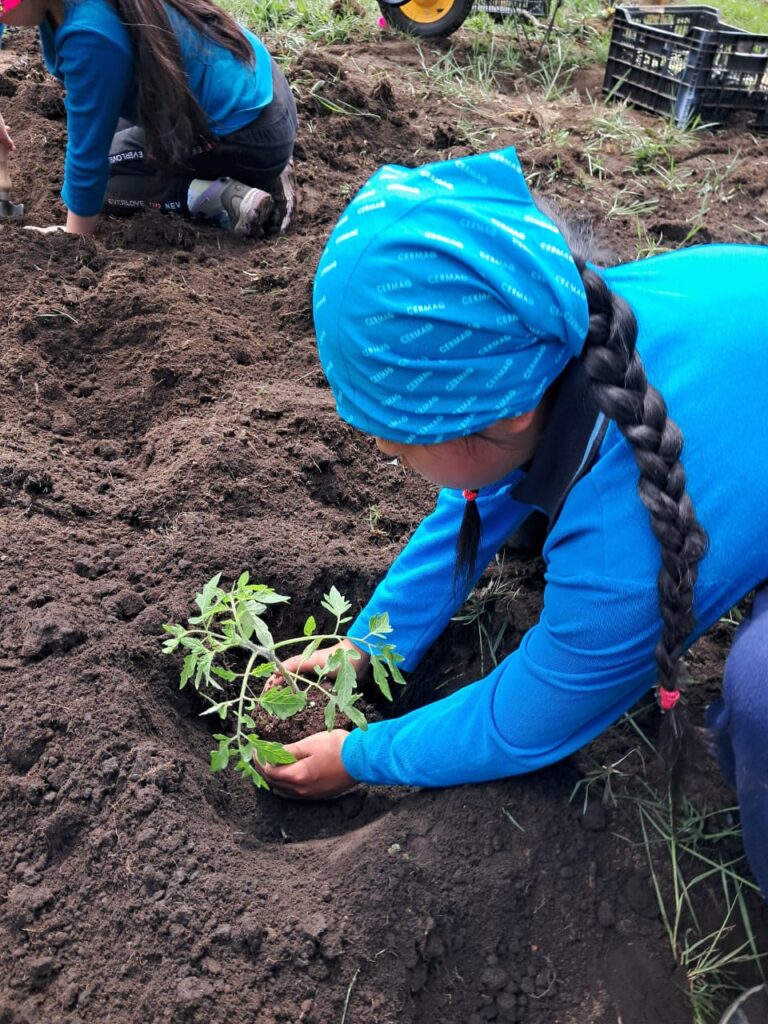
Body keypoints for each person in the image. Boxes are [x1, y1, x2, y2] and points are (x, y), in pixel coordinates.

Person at [257, 147, 768, 910]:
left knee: (757, 701)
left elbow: (526, 718)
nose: (385, 453)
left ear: (504, 415)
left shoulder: (619, 550)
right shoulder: (564, 324)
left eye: (398, 444)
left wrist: (360, 756)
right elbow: (474, 496)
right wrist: (369, 647)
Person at [0, 0, 298, 236]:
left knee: (101, 187)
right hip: (255, 79)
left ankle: (218, 196)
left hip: (248, 132)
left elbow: (87, 161)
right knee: (105, 139)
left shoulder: (90, 34)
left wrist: (71, 237)